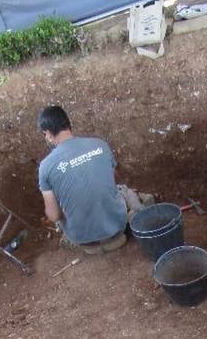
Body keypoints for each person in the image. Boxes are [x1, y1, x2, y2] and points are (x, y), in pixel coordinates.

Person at [37, 105, 152, 256]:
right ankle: (139, 215)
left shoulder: (45, 166)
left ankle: (87, 243)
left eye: (45, 135)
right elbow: (112, 180)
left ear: (48, 133)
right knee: (124, 190)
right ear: (68, 124)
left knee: (59, 210)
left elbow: (53, 216)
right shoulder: (99, 145)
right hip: (117, 229)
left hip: (83, 240)